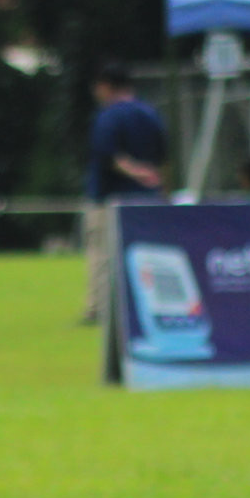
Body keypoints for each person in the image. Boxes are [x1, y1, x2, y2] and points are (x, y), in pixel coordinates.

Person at [80, 63, 166, 327]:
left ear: (106, 85)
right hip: (147, 200)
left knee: (102, 255)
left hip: (109, 198)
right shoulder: (150, 113)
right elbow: (163, 156)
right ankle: (146, 307)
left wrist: (137, 172)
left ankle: (98, 310)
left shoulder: (109, 116)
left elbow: (109, 156)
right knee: (146, 257)